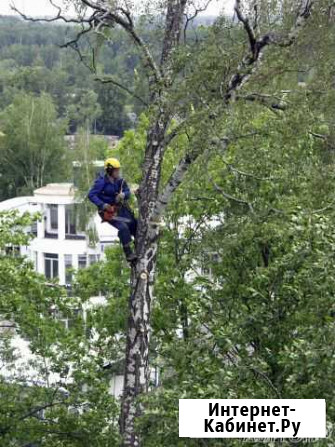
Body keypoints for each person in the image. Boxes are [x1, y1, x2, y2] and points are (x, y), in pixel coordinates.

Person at [88, 158, 137, 262]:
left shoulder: (120, 181)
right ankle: (128, 253)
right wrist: (102, 204)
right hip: (108, 212)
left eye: (118, 170)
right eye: (116, 170)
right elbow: (91, 195)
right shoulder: (101, 182)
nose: (118, 172)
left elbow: (127, 191)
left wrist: (124, 195)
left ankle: (138, 245)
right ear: (109, 171)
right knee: (123, 227)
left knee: (134, 224)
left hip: (120, 209)